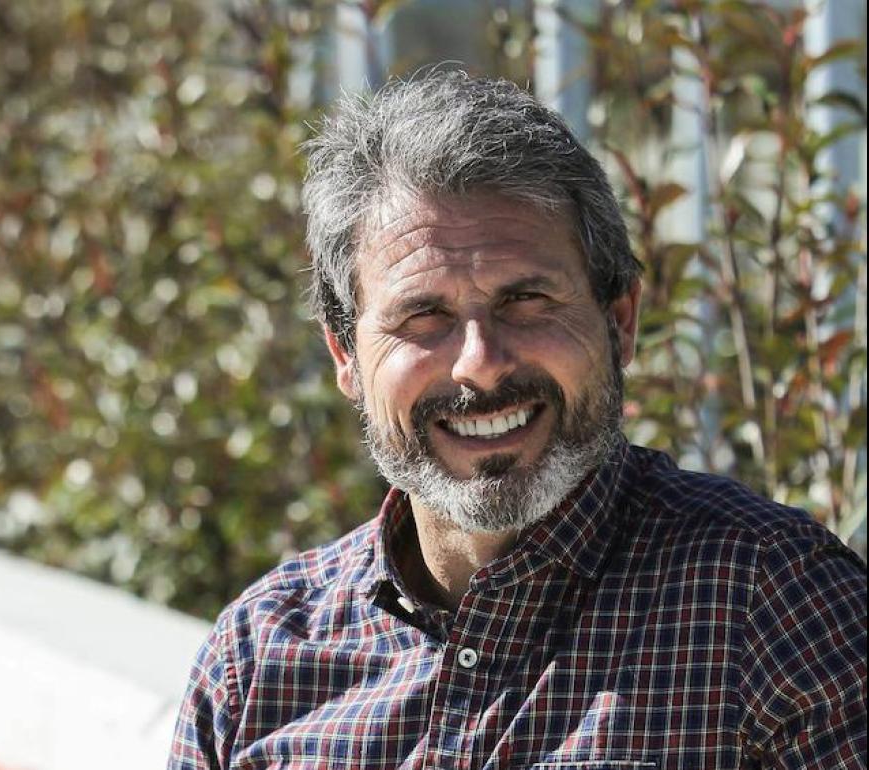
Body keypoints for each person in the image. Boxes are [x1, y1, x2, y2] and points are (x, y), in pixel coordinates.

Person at [168, 70, 867, 769]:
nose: (479, 364)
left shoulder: (778, 610)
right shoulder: (254, 662)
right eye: (423, 315)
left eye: (526, 301)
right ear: (346, 356)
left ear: (621, 321)